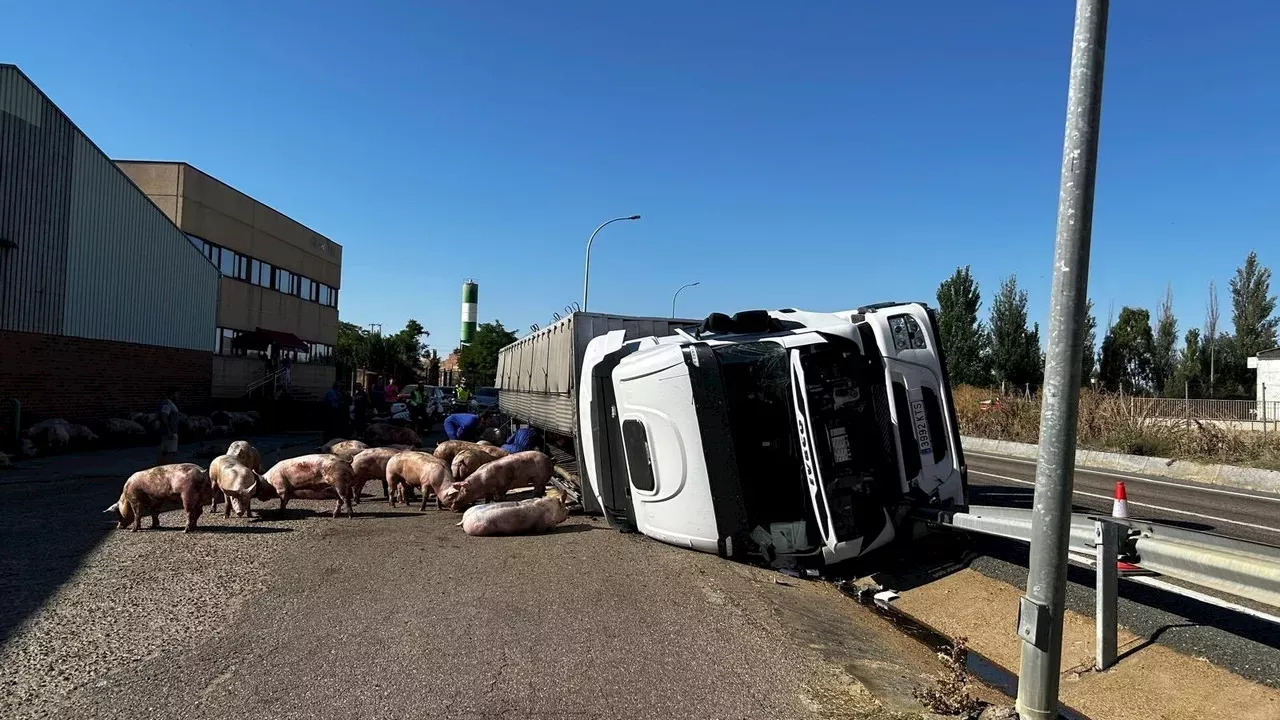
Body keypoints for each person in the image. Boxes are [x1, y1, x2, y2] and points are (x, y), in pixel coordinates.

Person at [156, 389, 182, 466]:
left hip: (170, 431)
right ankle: (168, 467)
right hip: (170, 432)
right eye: (176, 394)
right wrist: (169, 430)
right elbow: (164, 416)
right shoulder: (168, 404)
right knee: (170, 452)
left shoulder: (170, 404)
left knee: (165, 450)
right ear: (172, 395)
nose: (178, 396)